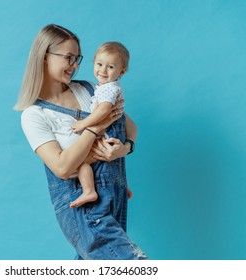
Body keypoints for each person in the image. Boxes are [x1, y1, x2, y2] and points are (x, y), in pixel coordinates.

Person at [14, 24, 147, 260]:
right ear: (45, 57)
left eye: (78, 58)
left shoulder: (90, 90)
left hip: (114, 197)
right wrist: (95, 128)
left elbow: (130, 127)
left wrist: (123, 150)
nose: (75, 65)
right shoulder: (34, 115)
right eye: (68, 57)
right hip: (84, 207)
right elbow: (63, 167)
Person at [70, 41, 132, 208]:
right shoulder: (106, 87)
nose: (103, 70)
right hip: (112, 131)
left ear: (122, 71)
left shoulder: (108, 89)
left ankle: (89, 191)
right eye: (99, 64)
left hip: (109, 132)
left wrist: (84, 124)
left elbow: (103, 111)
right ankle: (121, 186)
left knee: (83, 163)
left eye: (110, 67)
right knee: (107, 164)